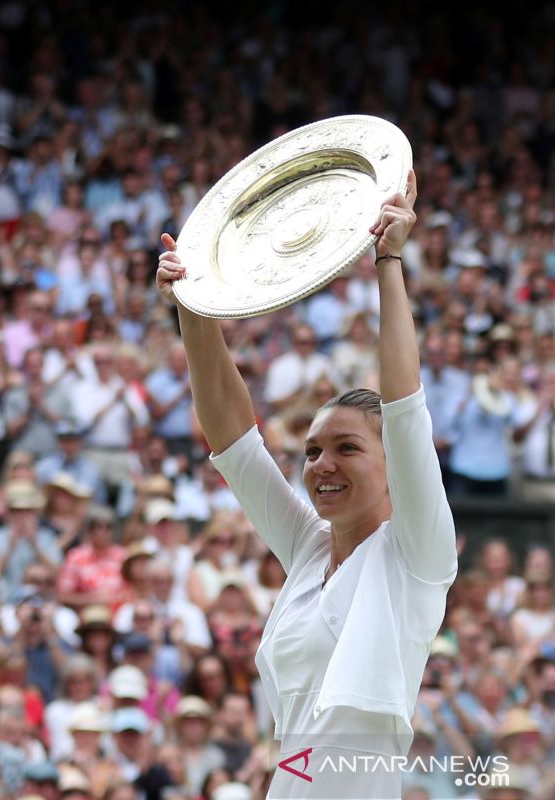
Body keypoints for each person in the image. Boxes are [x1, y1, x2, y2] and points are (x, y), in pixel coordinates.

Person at [156, 172, 458, 799]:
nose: (322, 464)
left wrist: (390, 260)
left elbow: (405, 406)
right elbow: (234, 442)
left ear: (392, 466)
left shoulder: (419, 557)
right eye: (314, 449)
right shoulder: (307, 550)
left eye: (347, 448)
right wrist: (195, 306)